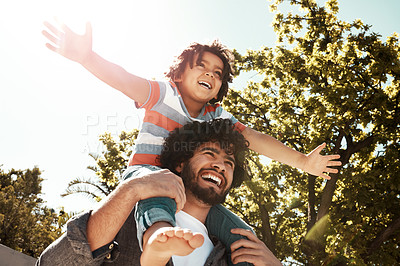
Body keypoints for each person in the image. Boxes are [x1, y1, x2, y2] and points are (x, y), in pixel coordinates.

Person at [42, 21, 341, 265]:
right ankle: (158, 238)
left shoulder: (216, 117)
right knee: (156, 194)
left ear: (220, 87)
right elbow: (122, 78)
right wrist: (86, 57)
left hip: (186, 187)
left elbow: (255, 139)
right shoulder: (161, 94)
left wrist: (303, 161)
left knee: (242, 234)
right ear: (181, 71)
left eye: (218, 74)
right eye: (201, 66)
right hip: (146, 175)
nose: (210, 74)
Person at [36, 119, 282, 265]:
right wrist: (130, 190)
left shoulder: (229, 252)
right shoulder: (127, 217)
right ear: (180, 164)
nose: (221, 165)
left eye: (229, 163)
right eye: (210, 154)